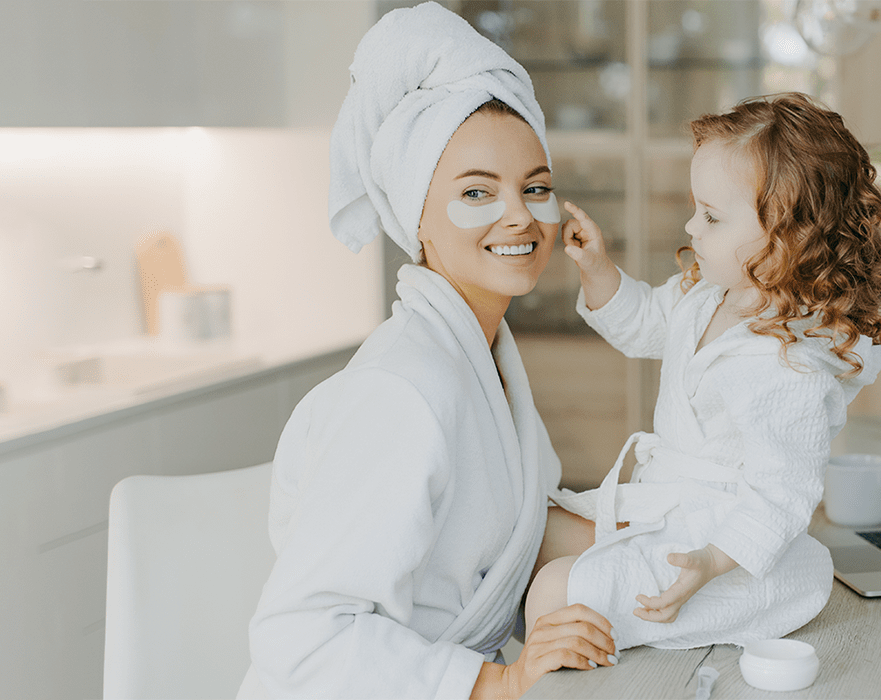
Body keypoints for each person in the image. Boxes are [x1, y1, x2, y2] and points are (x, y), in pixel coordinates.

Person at [242, 4, 615, 698]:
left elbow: (513, 531)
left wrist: (690, 541)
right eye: (478, 191)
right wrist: (497, 685)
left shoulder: (480, 353)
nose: (519, 215)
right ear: (417, 215)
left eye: (536, 187)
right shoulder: (401, 391)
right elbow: (302, 638)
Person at [525, 93, 881, 651]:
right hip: (666, 507)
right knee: (528, 533)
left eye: (713, 217)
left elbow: (781, 488)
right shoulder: (709, 293)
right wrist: (599, 269)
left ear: (789, 238)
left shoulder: (786, 362)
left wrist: (712, 561)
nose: (691, 226)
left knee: (553, 592)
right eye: (697, 208)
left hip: (715, 549)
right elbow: (648, 323)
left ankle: (769, 585)